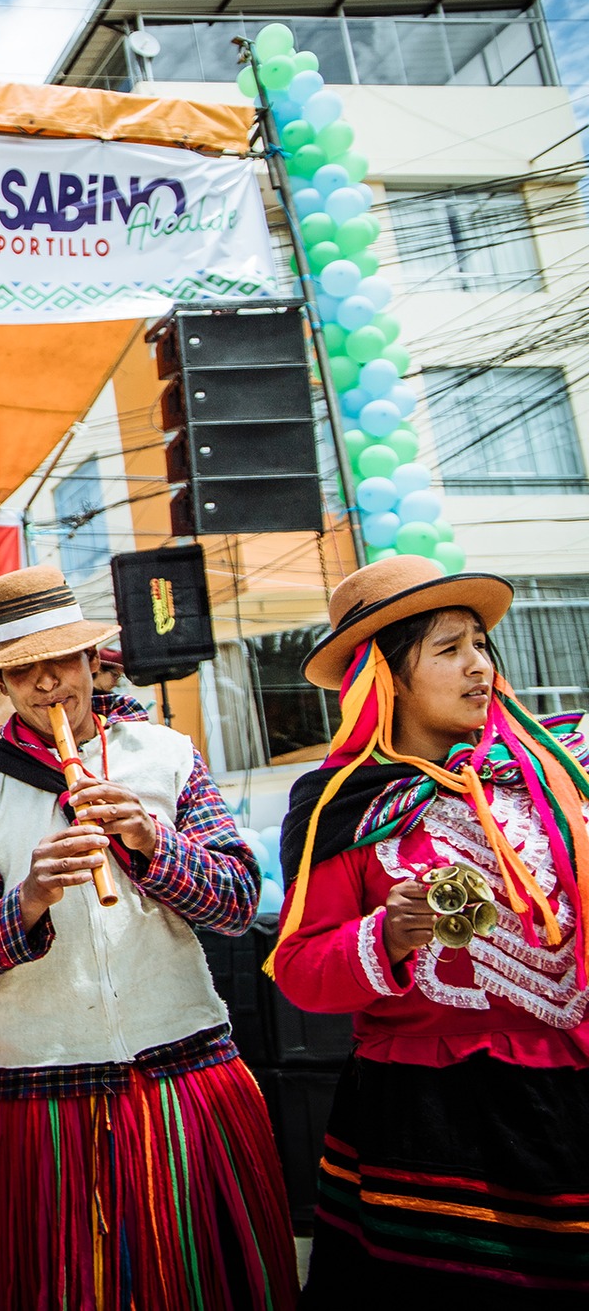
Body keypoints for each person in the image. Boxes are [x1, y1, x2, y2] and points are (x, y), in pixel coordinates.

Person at [0, 565, 294, 1310]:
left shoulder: (167, 755)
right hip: (46, 1089)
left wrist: (150, 839)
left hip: (184, 1068)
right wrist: (27, 899)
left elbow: (236, 902)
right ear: (2, 682)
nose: (46, 686)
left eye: (60, 662)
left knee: (209, 1284)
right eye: (23, 670)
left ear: (91, 661)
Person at [272, 556, 589, 1300]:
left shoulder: (550, 777)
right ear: (383, 678)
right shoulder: (342, 806)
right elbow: (299, 966)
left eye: (481, 645)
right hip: (427, 1115)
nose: (479, 666)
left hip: (568, 1100)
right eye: (448, 650)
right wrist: (389, 934)